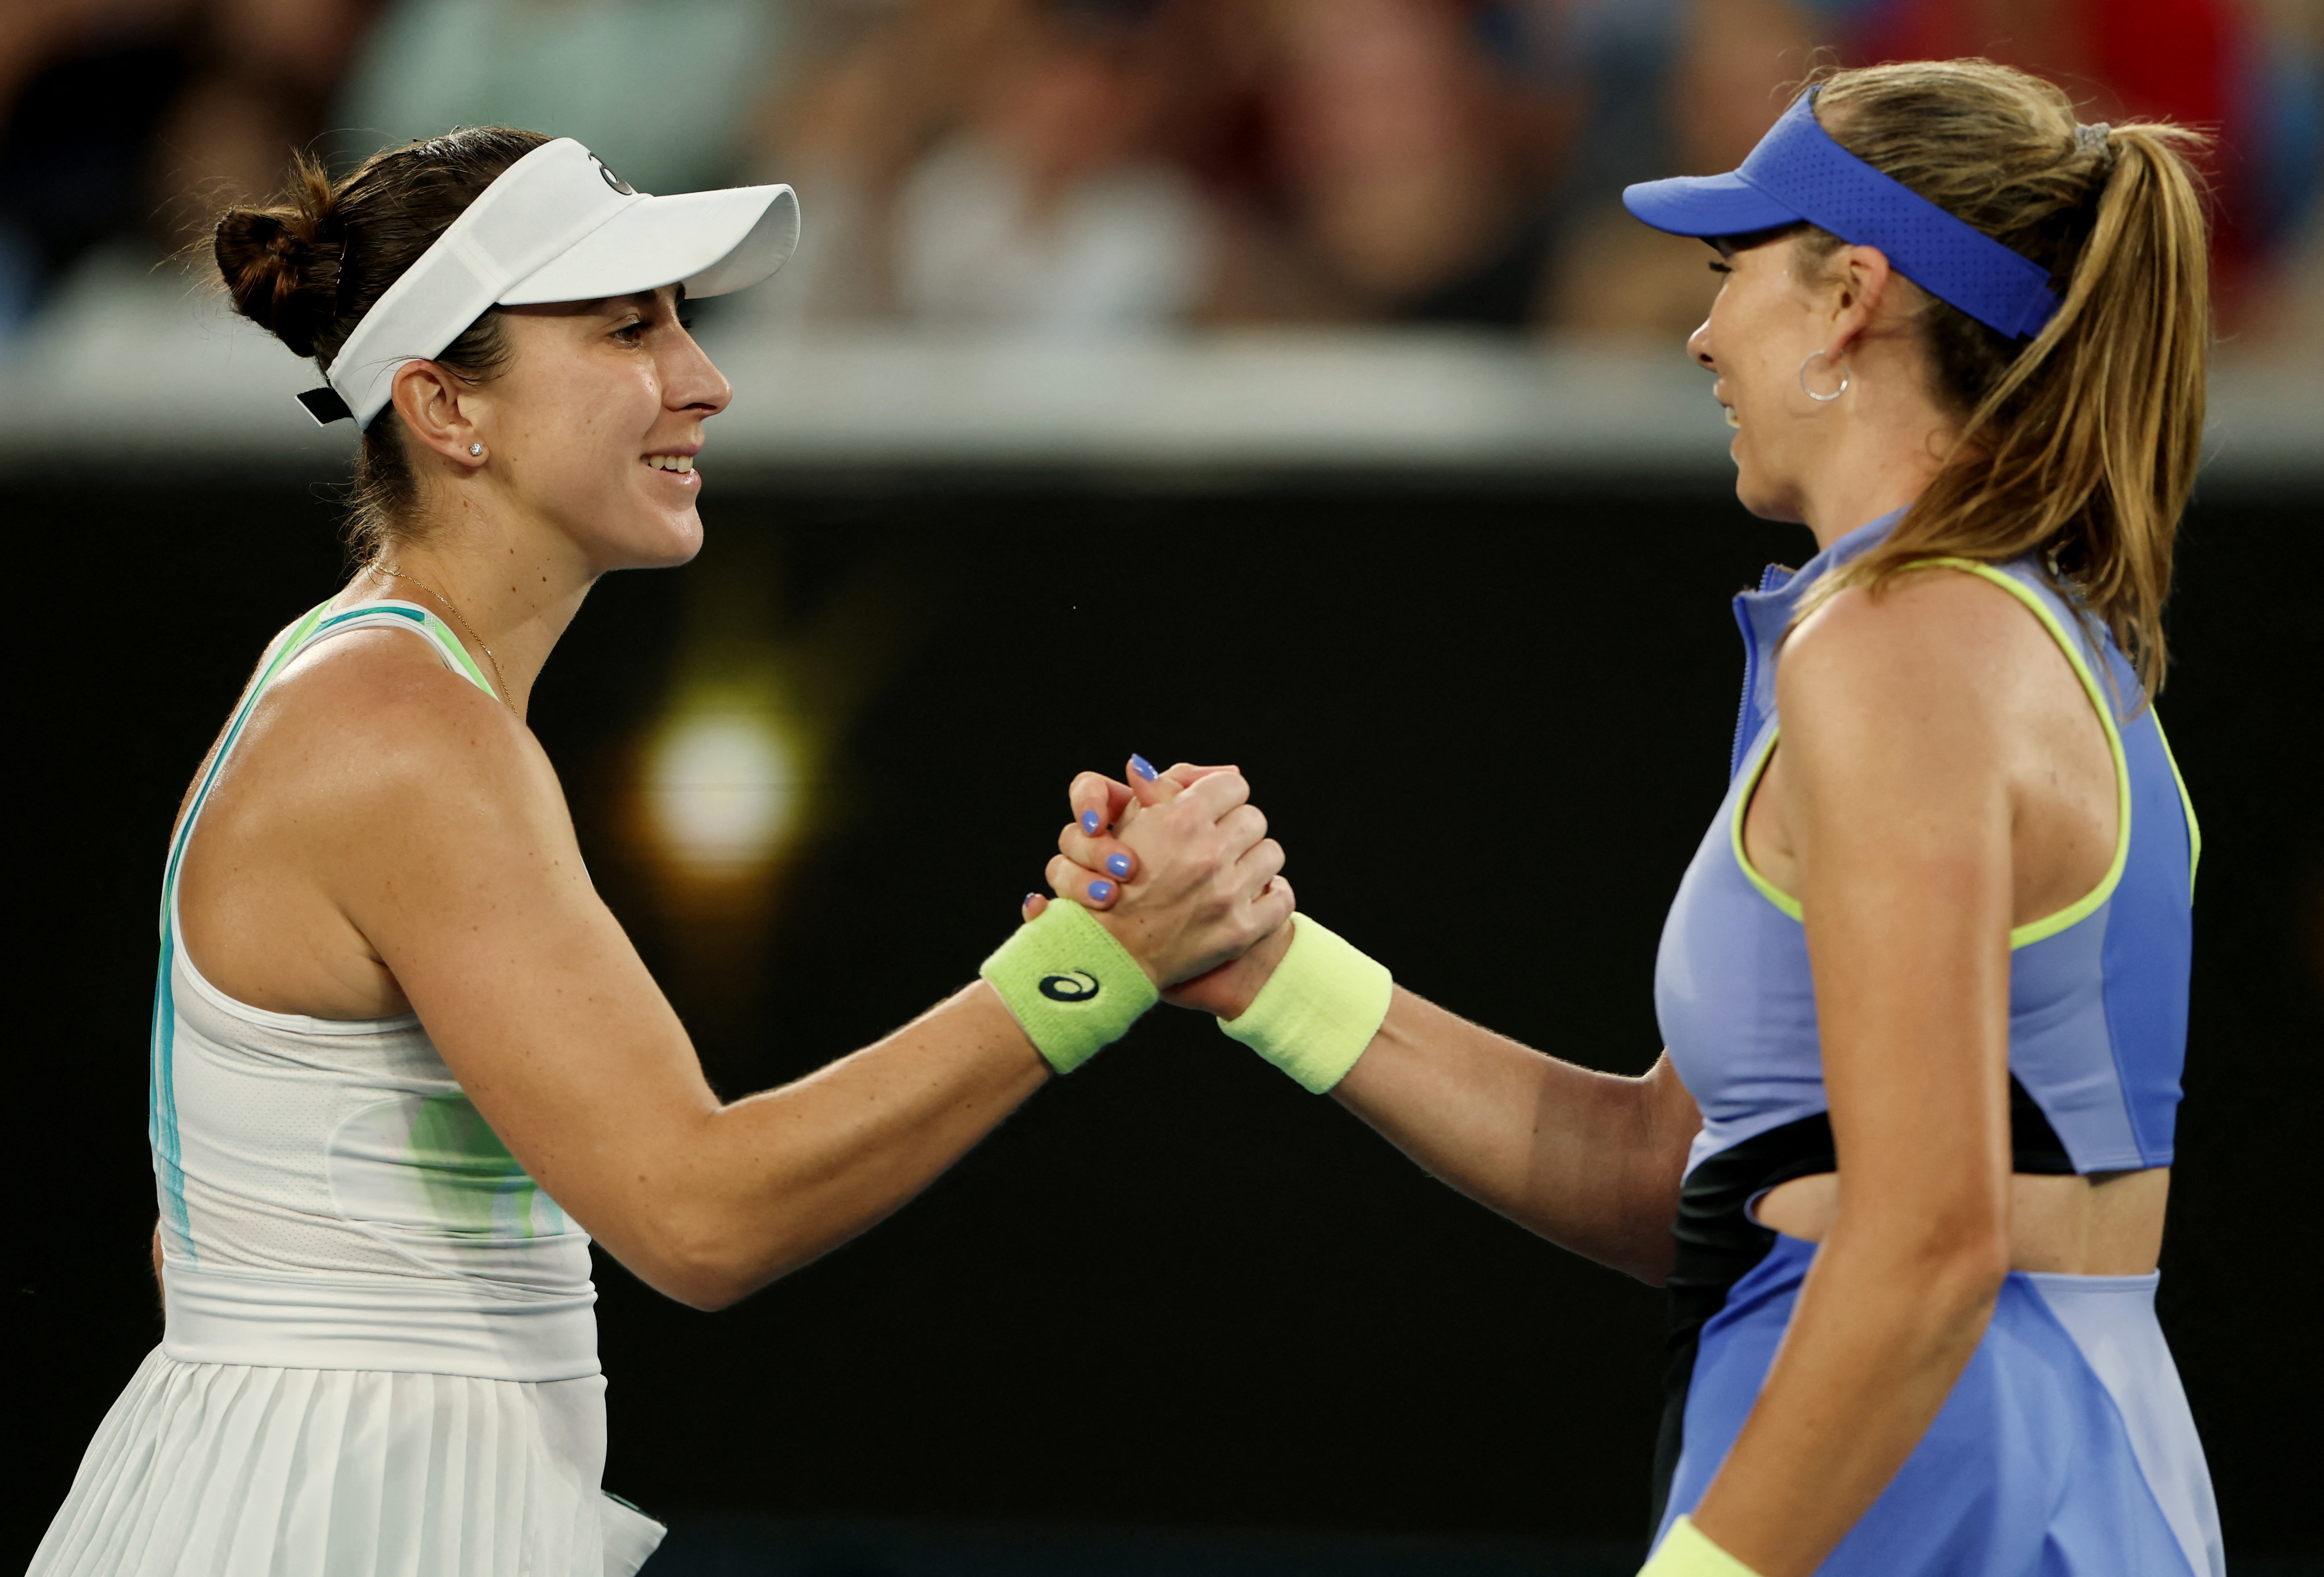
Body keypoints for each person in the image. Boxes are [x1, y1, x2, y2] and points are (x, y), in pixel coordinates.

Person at [32, 127, 1291, 1575]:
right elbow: (700, 1215)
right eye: (629, 329)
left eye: (684, 322)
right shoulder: (406, 736)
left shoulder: (372, 694)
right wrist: (1097, 963)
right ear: (447, 408)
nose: (704, 377)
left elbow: (202, 1239)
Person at [1047, 59, 2218, 1576]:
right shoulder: (1978, 631)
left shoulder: (1900, 650)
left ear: (1853, 296)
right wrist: (1267, 972)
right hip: (1978, 1454)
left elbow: (1930, 1248)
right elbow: (1673, 1173)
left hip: (1937, 1477)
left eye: (1732, 271)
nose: (1700, 329)